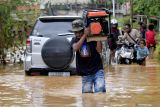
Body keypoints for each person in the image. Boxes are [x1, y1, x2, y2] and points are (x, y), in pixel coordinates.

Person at [70, 19, 106, 93]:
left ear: (84, 29)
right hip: (85, 72)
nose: (78, 34)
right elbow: (75, 48)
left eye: (80, 31)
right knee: (87, 95)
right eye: (76, 32)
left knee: (100, 89)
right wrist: (84, 35)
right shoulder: (74, 40)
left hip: (97, 69)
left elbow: (99, 50)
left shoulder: (92, 38)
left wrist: (97, 36)